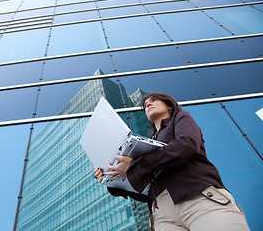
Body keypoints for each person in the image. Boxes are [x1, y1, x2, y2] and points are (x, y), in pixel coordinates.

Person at [93, 92, 250, 231]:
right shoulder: (145, 145)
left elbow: (187, 145)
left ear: (169, 105)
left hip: (197, 198)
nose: (148, 103)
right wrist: (112, 177)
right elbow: (146, 193)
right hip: (161, 214)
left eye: (154, 100)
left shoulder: (180, 118)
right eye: (145, 104)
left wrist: (137, 165)